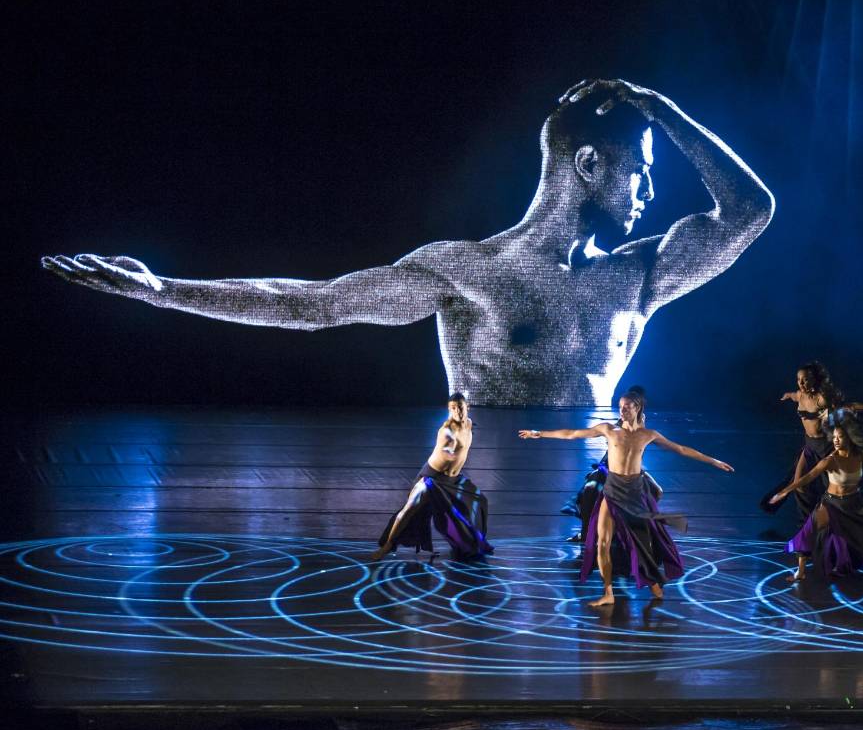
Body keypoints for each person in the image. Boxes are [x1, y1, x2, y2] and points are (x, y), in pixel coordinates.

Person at [42, 79, 775, 407]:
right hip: (491, 487)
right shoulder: (467, 271)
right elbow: (313, 305)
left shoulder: (638, 273)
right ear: (588, 165)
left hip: (589, 489)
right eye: (640, 172)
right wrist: (163, 291)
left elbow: (749, 211)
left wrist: (660, 109)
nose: (650, 191)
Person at [519, 389, 733, 606]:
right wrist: (539, 433)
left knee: (641, 545)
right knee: (602, 543)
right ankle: (608, 593)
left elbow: (681, 449)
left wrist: (713, 461)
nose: (622, 411)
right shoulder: (609, 430)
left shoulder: (648, 435)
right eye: (620, 407)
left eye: (627, 407)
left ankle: (653, 583)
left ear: (637, 408)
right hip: (612, 491)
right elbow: (572, 434)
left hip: (634, 494)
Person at [768, 410, 863, 581]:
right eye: (834, 437)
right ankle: (800, 572)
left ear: (849, 438)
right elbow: (808, 477)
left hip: (854, 503)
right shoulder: (830, 460)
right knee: (808, 532)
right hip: (832, 503)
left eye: (840, 437)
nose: (836, 440)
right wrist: (784, 491)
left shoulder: (858, 455)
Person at [760, 361, 863, 523]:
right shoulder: (800, 395)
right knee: (800, 486)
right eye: (798, 379)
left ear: (814, 380)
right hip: (810, 446)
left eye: (805, 379)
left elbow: (850, 406)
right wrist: (787, 395)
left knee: (836, 488)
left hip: (826, 446)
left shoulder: (822, 399)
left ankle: (850, 518)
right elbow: (793, 395)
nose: (801, 383)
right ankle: (807, 523)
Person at [371, 393, 492, 561]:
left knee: (480, 501)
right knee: (409, 511)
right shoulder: (446, 430)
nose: (457, 411)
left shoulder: (469, 424)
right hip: (433, 478)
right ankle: (386, 546)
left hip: (454, 480)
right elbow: (447, 448)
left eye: (460, 407)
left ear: (468, 407)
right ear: (449, 410)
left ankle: (469, 545)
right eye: (453, 408)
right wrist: (449, 450)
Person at [560, 385, 663, 543]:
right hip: (610, 466)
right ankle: (587, 531)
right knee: (591, 493)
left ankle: (631, 528)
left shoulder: (641, 420)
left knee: (656, 491)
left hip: (632, 469)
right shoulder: (625, 421)